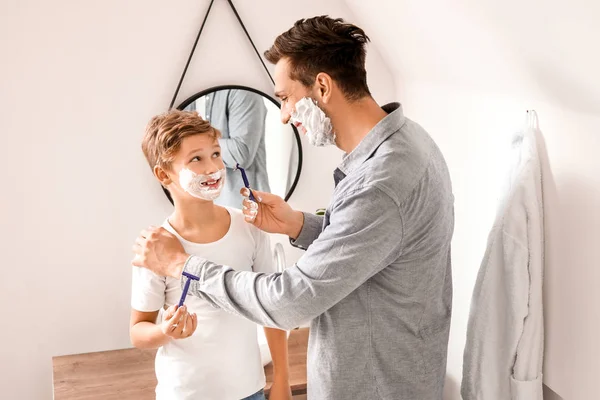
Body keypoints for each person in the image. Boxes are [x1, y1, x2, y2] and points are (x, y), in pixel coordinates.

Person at [132, 16, 454, 400]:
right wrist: (300, 225)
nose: (283, 115)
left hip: (375, 386)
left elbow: (289, 303)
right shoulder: (406, 140)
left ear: (322, 86)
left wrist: (181, 266)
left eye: (285, 97)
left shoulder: (380, 182)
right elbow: (374, 243)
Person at [130, 110, 291, 400]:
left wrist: (282, 379)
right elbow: (138, 332)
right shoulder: (156, 246)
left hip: (249, 390)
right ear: (163, 174)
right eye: (196, 158)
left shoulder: (249, 228)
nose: (213, 167)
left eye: (216, 154)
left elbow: (272, 309)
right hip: (185, 394)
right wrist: (166, 331)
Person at [187, 89, 271, 208]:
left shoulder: (243, 91)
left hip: (244, 209)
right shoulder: (187, 91)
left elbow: (240, 154)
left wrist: (192, 144)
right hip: (200, 209)